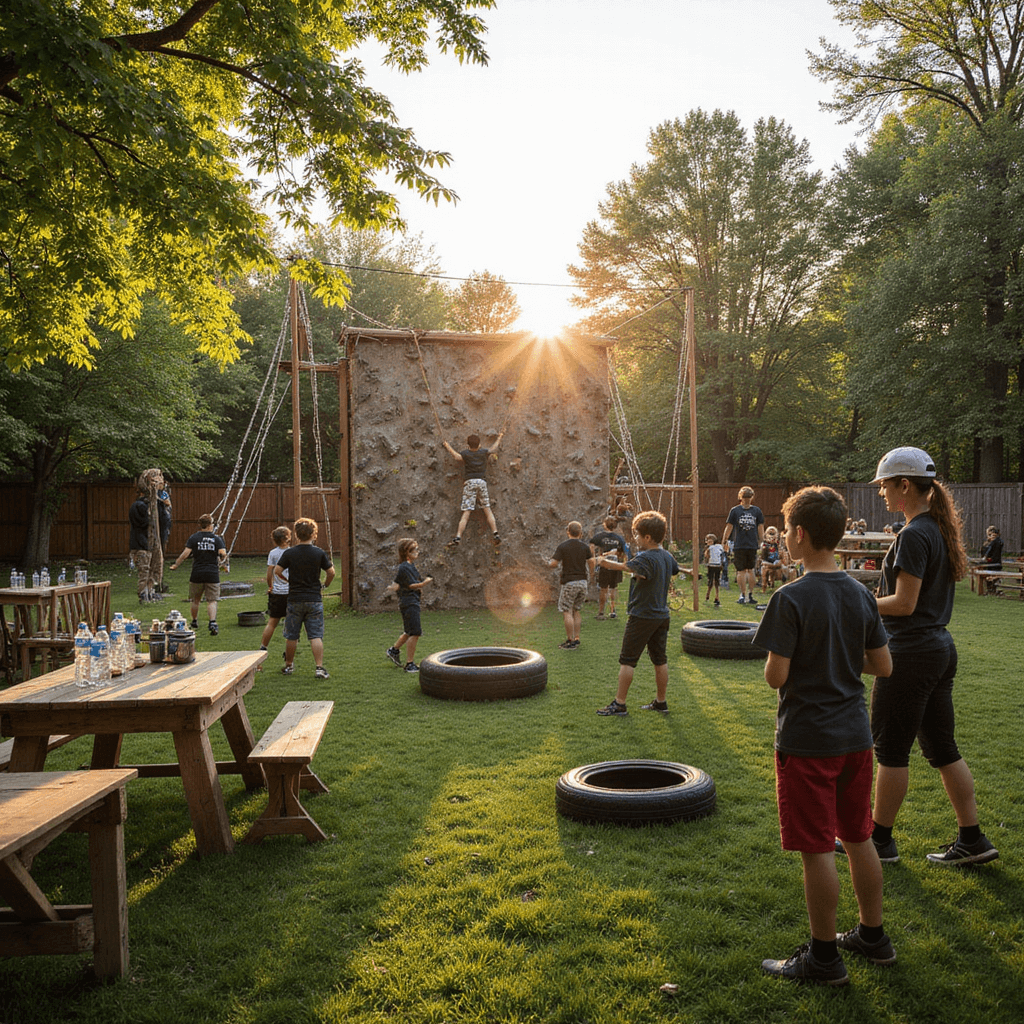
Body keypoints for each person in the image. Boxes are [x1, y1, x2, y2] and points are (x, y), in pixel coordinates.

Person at [755, 486, 894, 986]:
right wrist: (837, 659)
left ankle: (824, 958)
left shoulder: (789, 597)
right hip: (856, 736)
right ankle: (873, 937)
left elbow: (776, 675)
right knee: (859, 836)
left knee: (817, 848)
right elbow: (883, 664)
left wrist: (812, 659)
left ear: (799, 534)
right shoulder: (861, 592)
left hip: (808, 741)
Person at [861, 446, 998, 866]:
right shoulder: (933, 530)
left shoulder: (914, 534)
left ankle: (880, 842)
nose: (882, 492)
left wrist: (859, 601)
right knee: (943, 749)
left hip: (911, 653)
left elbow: (903, 603)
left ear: (905, 485)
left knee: (890, 751)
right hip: (937, 649)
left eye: (885, 485)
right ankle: (972, 840)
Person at [594, 510, 679, 716]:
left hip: (642, 615)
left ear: (647, 537)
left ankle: (619, 703)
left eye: (638, 535)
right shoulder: (667, 556)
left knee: (627, 660)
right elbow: (674, 569)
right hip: (661, 615)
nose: (636, 539)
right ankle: (661, 702)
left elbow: (624, 566)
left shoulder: (646, 557)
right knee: (660, 659)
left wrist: (602, 562)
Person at [275, 517, 335, 679]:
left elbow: (277, 571)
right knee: (315, 635)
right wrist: (325, 585)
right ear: (314, 534)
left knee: (292, 635)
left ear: (296, 535)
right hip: (314, 599)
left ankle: (288, 666)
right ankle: (319, 668)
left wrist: (288, 581)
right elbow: (331, 572)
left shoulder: (290, 553)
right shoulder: (319, 553)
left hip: (294, 598)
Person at [169, 513, 227, 636]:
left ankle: (194, 621)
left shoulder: (194, 538)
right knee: (212, 600)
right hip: (212, 573)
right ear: (210, 525)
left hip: (197, 573)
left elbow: (185, 554)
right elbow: (222, 553)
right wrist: (222, 561)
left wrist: (176, 564)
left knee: (195, 600)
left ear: (200, 525)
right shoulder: (217, 539)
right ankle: (212, 622)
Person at [442, 431, 504, 546]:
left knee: (466, 512)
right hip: (481, 482)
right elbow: (493, 449)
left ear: (468, 445)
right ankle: (495, 533)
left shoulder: (466, 454)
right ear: (479, 445)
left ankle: (458, 537)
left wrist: (447, 446)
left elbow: (456, 457)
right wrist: (499, 437)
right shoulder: (483, 452)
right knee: (487, 509)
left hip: (469, 482)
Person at [385, 538, 433, 673]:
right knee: (415, 632)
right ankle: (409, 664)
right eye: (415, 550)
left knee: (408, 631)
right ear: (407, 552)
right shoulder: (404, 567)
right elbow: (411, 585)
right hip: (409, 602)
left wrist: (393, 587)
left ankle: (393, 650)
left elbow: (398, 584)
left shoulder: (409, 566)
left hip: (411, 601)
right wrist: (425, 583)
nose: (418, 552)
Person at [548, 521, 595, 649]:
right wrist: (591, 574)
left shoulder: (563, 546)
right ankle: (577, 638)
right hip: (583, 582)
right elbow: (591, 561)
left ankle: (570, 641)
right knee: (576, 610)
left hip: (569, 582)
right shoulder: (585, 547)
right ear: (580, 533)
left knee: (567, 610)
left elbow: (553, 563)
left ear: (567, 531)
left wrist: (547, 562)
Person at [722, 486, 764, 605]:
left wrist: (724, 541)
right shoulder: (751, 511)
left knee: (742, 571)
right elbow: (729, 527)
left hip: (745, 545)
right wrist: (761, 541)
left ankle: (744, 595)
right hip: (743, 544)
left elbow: (760, 527)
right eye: (746, 497)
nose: (746, 499)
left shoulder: (741, 511)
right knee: (748, 570)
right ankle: (747, 595)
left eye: (747, 497)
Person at [260, 526, 291, 653]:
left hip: (277, 592)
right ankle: (289, 650)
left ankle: (263, 647)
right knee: (291, 622)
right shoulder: (292, 552)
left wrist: (270, 586)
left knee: (272, 622)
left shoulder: (273, 553)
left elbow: (269, 573)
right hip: (291, 592)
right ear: (288, 538)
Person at [589, 516, 626, 619]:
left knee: (603, 589)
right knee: (613, 589)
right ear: (615, 526)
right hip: (615, 566)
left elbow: (591, 545)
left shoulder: (600, 536)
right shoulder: (619, 538)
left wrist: (594, 558)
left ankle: (601, 612)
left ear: (604, 524)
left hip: (604, 565)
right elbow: (623, 551)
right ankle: (613, 611)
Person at [128, 483, 158, 604]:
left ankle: (148, 593)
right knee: (145, 571)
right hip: (143, 545)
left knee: (145, 571)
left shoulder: (134, 506)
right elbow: (146, 523)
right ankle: (143, 595)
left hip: (135, 543)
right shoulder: (143, 507)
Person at [759, 526, 783, 592]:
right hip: (767, 561)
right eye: (770, 534)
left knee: (778, 564)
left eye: (773, 534)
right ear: (766, 535)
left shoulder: (778, 544)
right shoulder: (764, 544)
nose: (772, 537)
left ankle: (772, 581)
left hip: (776, 561)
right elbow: (762, 556)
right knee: (765, 566)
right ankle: (764, 586)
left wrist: (778, 545)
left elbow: (781, 555)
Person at [703, 533, 724, 606]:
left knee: (713, 581)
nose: (708, 543)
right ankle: (711, 596)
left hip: (714, 565)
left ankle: (714, 596)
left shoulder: (711, 548)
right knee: (714, 581)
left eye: (710, 541)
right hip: (715, 565)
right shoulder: (719, 547)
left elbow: (706, 556)